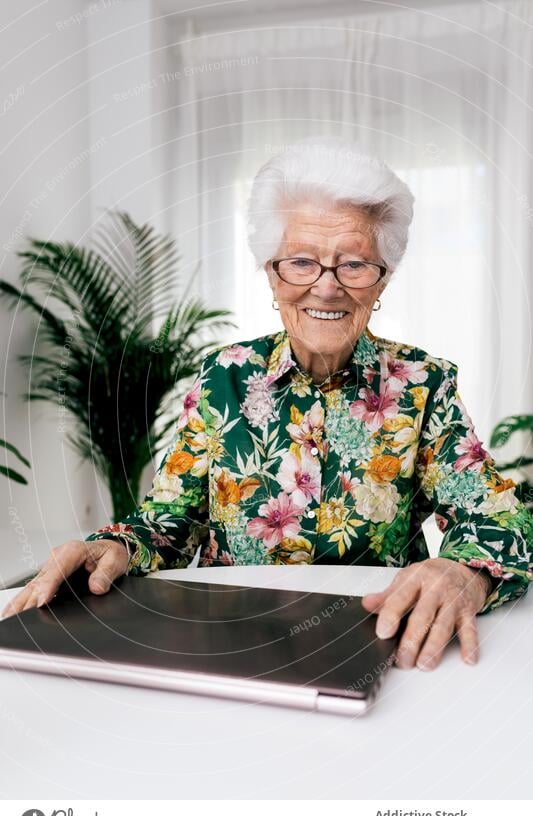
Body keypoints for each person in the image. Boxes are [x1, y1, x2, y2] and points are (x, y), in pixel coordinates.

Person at [3, 137, 531, 672]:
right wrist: (112, 547)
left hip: (378, 641)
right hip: (229, 641)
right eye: (301, 262)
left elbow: (501, 519)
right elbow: (167, 522)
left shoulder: (422, 383)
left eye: (353, 264)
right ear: (271, 274)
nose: (326, 289)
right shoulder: (223, 377)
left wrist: (466, 573)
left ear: (382, 279)